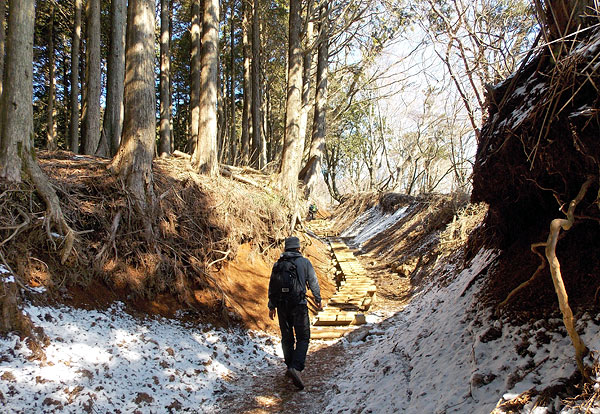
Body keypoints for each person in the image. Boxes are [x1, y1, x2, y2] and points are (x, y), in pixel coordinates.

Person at [268, 236, 322, 390]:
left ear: (286, 248)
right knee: (303, 337)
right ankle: (296, 368)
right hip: (298, 305)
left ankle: (289, 365)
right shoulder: (304, 262)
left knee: (287, 338)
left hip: (282, 306)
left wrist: (271, 306)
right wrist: (317, 298)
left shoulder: (278, 264)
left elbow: (272, 285)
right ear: (298, 248)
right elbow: (313, 281)